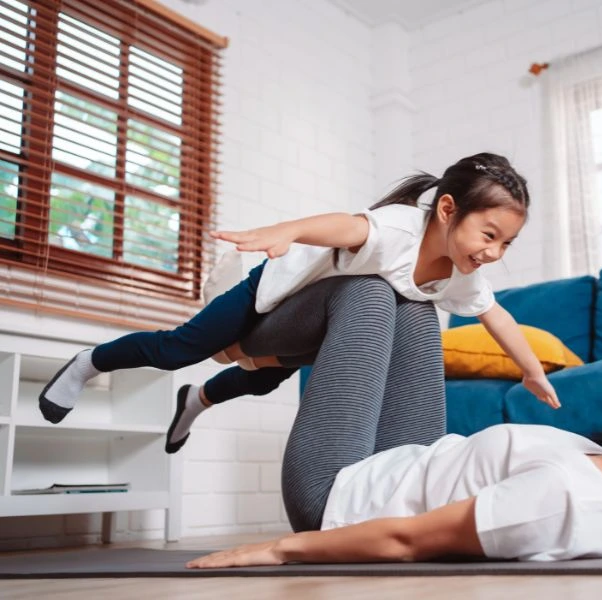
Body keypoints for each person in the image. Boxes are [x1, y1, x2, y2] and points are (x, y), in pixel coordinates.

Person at [186, 323, 602, 569]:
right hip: (411, 458)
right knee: (413, 293)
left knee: (370, 296)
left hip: (339, 493)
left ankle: (239, 349)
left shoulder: (564, 499)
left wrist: (277, 547)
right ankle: (252, 351)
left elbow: (405, 541)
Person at [37, 153, 561, 454]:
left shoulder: (461, 270)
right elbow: (343, 225)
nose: (492, 253)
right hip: (272, 296)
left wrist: (532, 370)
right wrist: (285, 231)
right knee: (180, 348)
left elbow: (497, 315)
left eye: (505, 244)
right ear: (448, 209)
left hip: (331, 323)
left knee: (263, 377)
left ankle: (196, 402)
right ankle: (89, 362)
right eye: (488, 235)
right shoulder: (399, 230)